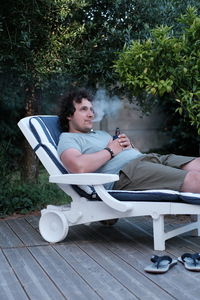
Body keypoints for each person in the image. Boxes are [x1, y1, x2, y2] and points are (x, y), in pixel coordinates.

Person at [57, 87, 200, 193]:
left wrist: (129, 146)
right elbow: (78, 166)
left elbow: (135, 154)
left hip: (147, 160)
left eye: (91, 109)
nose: (90, 114)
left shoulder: (100, 133)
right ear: (69, 115)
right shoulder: (68, 138)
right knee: (195, 179)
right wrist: (111, 150)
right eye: (83, 109)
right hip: (127, 173)